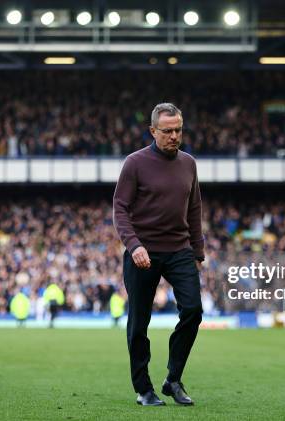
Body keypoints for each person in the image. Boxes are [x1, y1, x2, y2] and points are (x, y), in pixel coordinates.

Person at [113, 103, 204, 406]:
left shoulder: (189, 164)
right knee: (139, 322)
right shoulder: (135, 163)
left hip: (179, 249)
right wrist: (134, 245)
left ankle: (173, 379)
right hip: (143, 251)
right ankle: (143, 389)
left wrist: (198, 251)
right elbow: (120, 209)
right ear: (153, 131)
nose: (174, 136)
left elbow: (194, 209)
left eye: (178, 130)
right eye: (167, 131)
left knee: (193, 310)